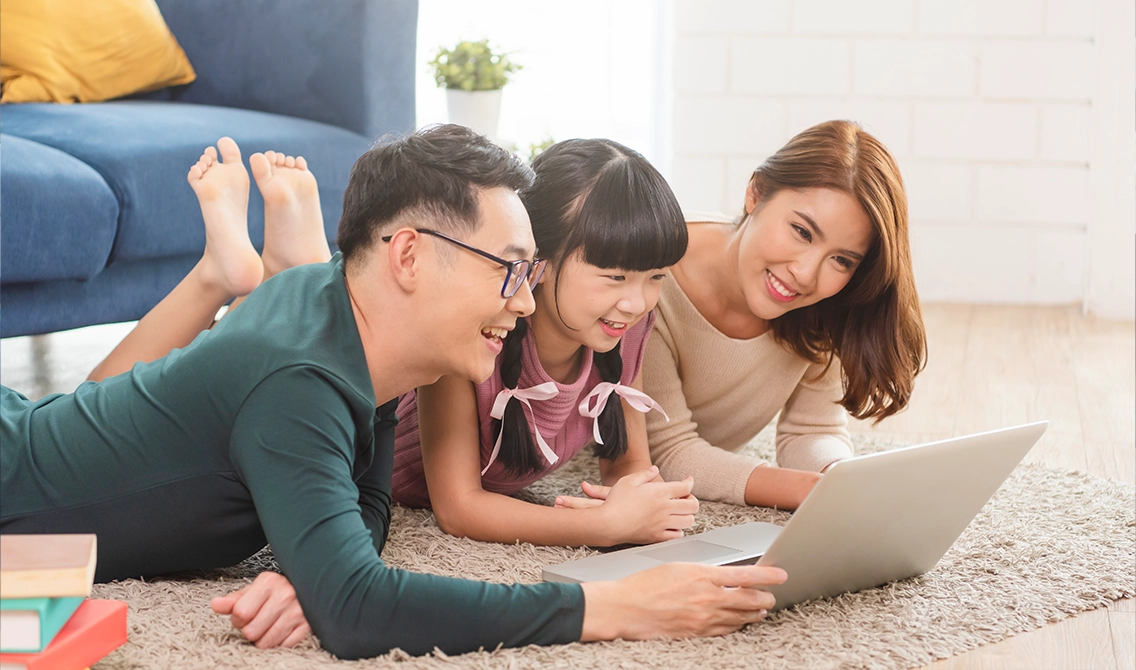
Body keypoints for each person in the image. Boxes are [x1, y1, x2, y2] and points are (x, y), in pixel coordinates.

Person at [0, 125, 787, 660]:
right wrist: (617, 609)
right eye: (509, 269)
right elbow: (357, 611)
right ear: (408, 254)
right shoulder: (298, 377)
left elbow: (364, 504)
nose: (523, 302)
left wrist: (308, 569)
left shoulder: (352, 326)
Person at [392, 138, 697, 548]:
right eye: (615, 277)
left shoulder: (625, 331)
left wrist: (643, 504)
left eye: (656, 276)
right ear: (541, 263)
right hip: (367, 471)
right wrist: (602, 525)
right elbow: (458, 508)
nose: (636, 303)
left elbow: (625, 461)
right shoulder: (475, 333)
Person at [642, 120, 928, 510]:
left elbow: (812, 430)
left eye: (841, 260)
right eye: (802, 232)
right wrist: (806, 492)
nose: (806, 274)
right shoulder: (649, 277)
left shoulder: (823, 302)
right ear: (755, 194)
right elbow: (670, 453)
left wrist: (838, 477)